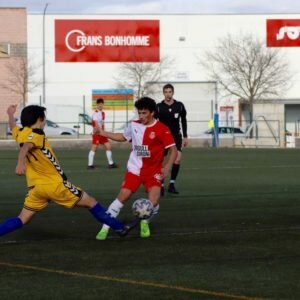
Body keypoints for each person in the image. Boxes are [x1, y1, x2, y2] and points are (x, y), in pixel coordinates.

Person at [0, 104, 136, 239]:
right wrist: (20, 163)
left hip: (36, 188)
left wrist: (10, 114)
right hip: (55, 185)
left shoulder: (21, 133)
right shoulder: (37, 135)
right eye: (44, 119)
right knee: (91, 202)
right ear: (40, 119)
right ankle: (119, 227)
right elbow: (27, 147)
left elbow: (13, 127)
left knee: (22, 218)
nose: (45, 122)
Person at [96, 97, 177, 240]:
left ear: (152, 112)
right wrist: (102, 133)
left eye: (144, 113)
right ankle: (105, 227)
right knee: (123, 196)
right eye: (139, 113)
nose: (141, 116)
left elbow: (173, 150)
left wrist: (168, 167)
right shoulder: (134, 125)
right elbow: (122, 136)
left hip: (153, 171)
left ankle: (144, 222)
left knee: (154, 200)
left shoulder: (162, 129)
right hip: (134, 169)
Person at [156, 83, 188, 194]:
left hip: (176, 136)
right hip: (162, 136)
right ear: (163, 93)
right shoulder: (158, 107)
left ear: (173, 93)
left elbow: (183, 120)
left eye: (170, 92)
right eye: (166, 92)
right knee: (163, 161)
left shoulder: (179, 105)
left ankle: (172, 184)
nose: (168, 94)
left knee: (178, 158)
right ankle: (161, 184)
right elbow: (154, 123)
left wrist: (185, 136)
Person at [88, 98, 118, 169]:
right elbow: (96, 124)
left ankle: (111, 164)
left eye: (102, 104)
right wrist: (97, 131)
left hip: (102, 133)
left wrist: (103, 131)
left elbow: (102, 123)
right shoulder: (95, 113)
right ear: (97, 105)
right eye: (99, 104)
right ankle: (90, 165)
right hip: (97, 133)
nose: (101, 105)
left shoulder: (102, 113)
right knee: (94, 148)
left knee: (108, 147)